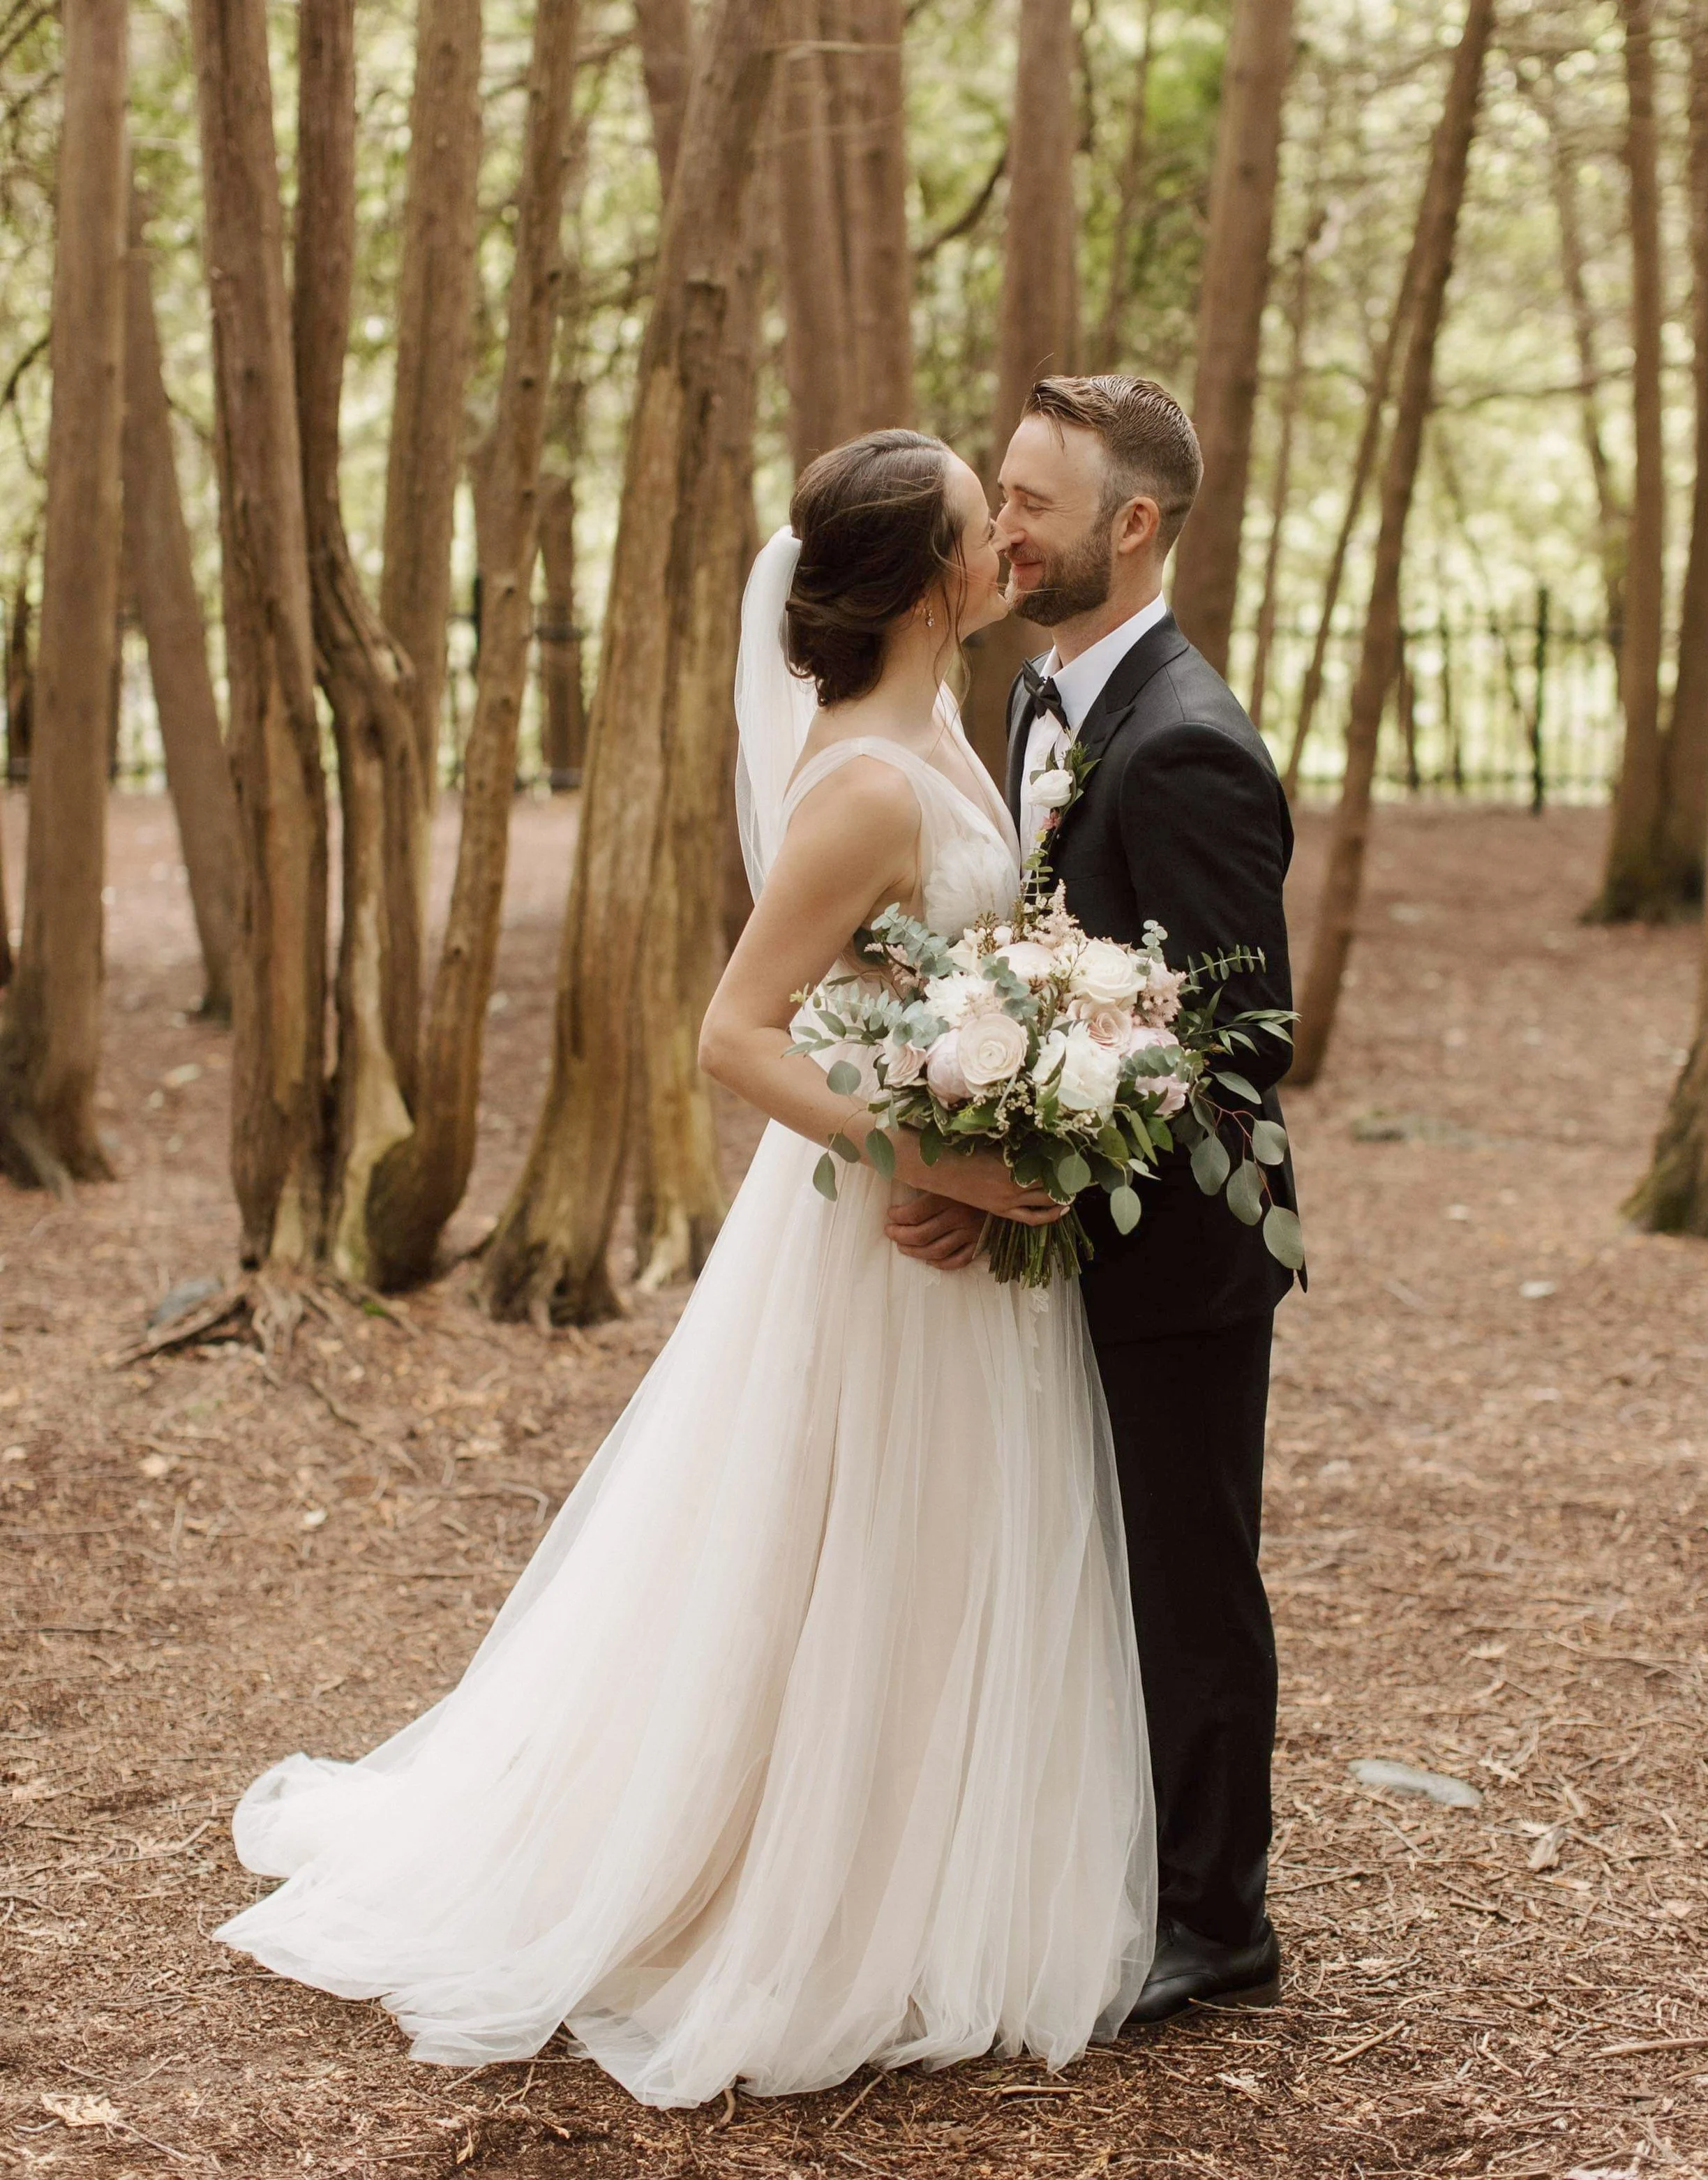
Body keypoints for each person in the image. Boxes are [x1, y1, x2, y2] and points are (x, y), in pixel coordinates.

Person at [214, 430, 1155, 2109]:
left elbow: (947, 965)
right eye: (974, 523)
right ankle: (788, 1887)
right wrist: (921, 1152)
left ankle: (923, 1860)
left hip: (961, 1228)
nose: (1000, 540)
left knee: (939, 1545)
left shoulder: (939, 724)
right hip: (870, 1227)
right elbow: (733, 1031)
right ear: (924, 577)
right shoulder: (857, 782)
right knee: (837, 1541)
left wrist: (1038, 1056)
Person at [889, 375, 1303, 2024]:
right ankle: (1112, 1870)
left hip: (1178, 1259)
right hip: (1068, 1242)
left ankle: (1218, 1920)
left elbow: (1236, 1047)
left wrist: (1023, 1193)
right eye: (998, 494)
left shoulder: (1191, 742)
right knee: (1088, 1573)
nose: (1002, 530)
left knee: (1186, 1581)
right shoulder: (1034, 701)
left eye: (1032, 505)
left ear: (1131, 528)